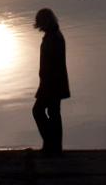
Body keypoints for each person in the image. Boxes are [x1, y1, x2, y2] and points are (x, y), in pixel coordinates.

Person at [32, 8, 70, 155]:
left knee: (39, 111)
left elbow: (52, 64)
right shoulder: (54, 35)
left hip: (51, 83)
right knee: (53, 113)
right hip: (53, 82)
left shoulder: (54, 37)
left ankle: (51, 144)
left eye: (39, 22)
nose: (38, 25)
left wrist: (45, 83)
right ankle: (53, 146)